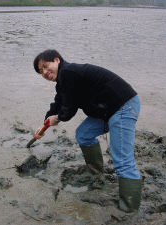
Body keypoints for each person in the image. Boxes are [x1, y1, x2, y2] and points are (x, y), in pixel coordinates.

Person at [33, 49, 142, 213]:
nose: (45, 73)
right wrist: (44, 125)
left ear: (57, 60)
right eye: (41, 72)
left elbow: (68, 109)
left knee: (122, 161)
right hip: (107, 111)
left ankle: (130, 208)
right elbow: (59, 102)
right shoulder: (64, 79)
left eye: (46, 66)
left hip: (122, 106)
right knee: (84, 134)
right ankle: (95, 172)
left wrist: (58, 118)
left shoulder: (68, 72)